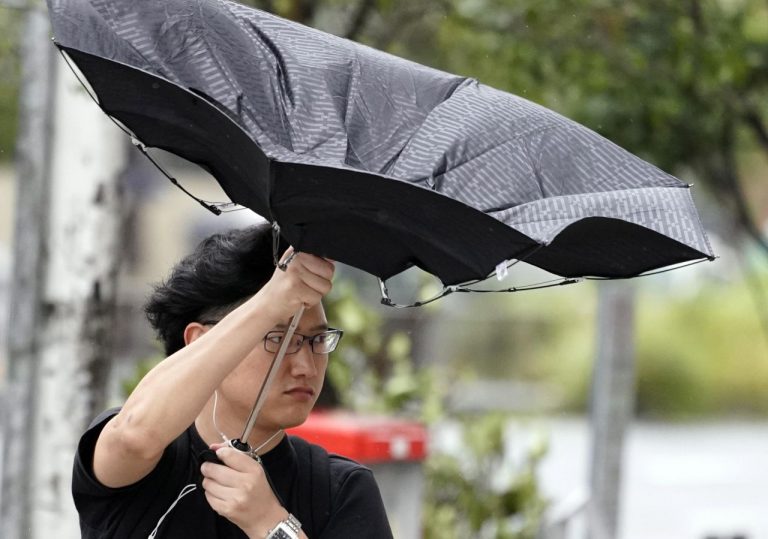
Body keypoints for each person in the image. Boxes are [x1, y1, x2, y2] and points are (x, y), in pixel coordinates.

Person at [72, 224, 393, 539]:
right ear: (199, 341)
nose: (305, 366)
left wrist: (270, 524)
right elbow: (133, 437)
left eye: (317, 340)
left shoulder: (338, 489)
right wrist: (271, 303)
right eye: (279, 338)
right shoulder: (146, 459)